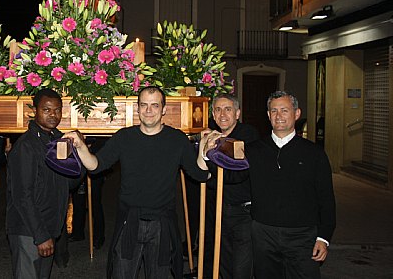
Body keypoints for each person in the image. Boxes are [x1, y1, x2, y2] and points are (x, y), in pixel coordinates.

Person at [66, 86, 211, 278]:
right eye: (144, 105)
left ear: (164, 109)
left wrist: (204, 150)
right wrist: (81, 146)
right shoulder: (124, 137)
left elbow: (199, 174)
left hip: (162, 224)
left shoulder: (177, 139)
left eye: (154, 105)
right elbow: (96, 166)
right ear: (137, 108)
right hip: (130, 222)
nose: (149, 110)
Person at [204, 90, 336, 278]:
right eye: (274, 111)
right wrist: (206, 155)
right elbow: (233, 175)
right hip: (263, 235)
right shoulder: (255, 150)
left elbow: (326, 199)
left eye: (284, 110)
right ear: (268, 115)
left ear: (296, 114)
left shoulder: (314, 153)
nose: (279, 116)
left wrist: (324, 237)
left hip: (302, 236)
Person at [6, 88, 82, 278]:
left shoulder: (59, 141)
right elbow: (22, 196)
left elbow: (69, 184)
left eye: (57, 110)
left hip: (49, 228)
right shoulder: (26, 146)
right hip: (29, 230)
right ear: (34, 110)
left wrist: (80, 157)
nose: (53, 115)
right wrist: (41, 236)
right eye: (46, 110)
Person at [198, 94, 259, 279]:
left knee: (240, 269)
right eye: (217, 110)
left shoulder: (247, 135)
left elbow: (236, 174)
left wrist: (210, 152)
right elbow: (202, 175)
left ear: (237, 113)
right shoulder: (212, 136)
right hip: (218, 210)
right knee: (221, 264)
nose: (222, 114)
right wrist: (205, 148)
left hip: (243, 214)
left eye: (228, 109)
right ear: (213, 115)